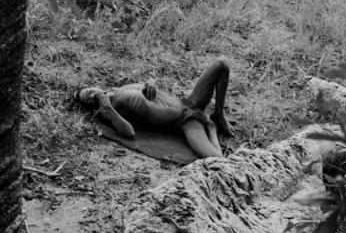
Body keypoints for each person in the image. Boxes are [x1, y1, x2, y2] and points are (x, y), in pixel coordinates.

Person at [76, 58, 235, 158]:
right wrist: (106, 106)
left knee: (222, 64)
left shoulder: (121, 89)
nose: (92, 95)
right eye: (89, 100)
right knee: (216, 159)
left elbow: (147, 85)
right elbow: (129, 132)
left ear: (95, 87)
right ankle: (212, 129)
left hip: (187, 102)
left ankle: (219, 115)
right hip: (183, 122)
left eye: (90, 91)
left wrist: (150, 83)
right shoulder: (107, 110)